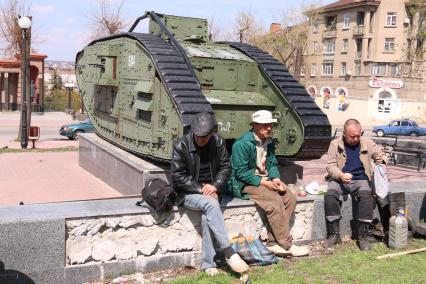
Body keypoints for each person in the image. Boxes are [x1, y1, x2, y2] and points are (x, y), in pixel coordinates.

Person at [171, 112, 249, 276]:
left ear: (213, 133)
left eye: (205, 137)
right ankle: (228, 251)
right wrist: (201, 188)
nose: (201, 140)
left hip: (212, 190)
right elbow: (178, 176)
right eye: (198, 136)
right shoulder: (180, 145)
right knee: (211, 203)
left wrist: (214, 186)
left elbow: (226, 168)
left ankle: (208, 264)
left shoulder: (218, 142)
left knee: (209, 216)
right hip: (188, 193)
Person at [227, 110, 309, 257]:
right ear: (255, 125)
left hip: (264, 180)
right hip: (244, 182)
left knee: (290, 198)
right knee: (274, 201)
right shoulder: (242, 144)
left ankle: (273, 242)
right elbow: (240, 173)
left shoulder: (269, 142)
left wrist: (275, 178)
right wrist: (264, 183)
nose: (269, 128)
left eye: (270, 125)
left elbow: (272, 164)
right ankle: (287, 244)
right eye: (265, 125)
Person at [324, 119, 386, 251]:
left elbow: (380, 153)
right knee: (330, 195)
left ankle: (362, 237)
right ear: (344, 134)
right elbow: (330, 165)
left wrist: (381, 158)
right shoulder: (335, 144)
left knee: (365, 195)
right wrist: (340, 175)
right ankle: (334, 234)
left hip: (361, 179)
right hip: (340, 178)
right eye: (352, 136)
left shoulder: (367, 142)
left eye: (359, 135)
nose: (356, 138)